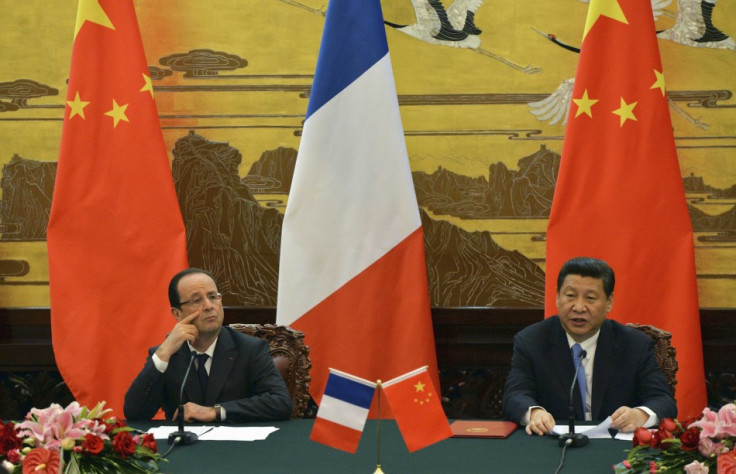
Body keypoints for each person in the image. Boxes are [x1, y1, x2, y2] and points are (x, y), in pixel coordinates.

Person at [502, 256, 676, 436]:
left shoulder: (634, 345)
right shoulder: (532, 341)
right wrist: (535, 413)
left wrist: (639, 415)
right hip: (553, 446)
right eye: (570, 296)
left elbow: (663, 400)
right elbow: (515, 395)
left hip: (614, 449)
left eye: (590, 298)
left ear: (609, 302)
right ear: (557, 297)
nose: (578, 307)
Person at [124, 268, 292, 422]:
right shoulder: (168, 355)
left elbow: (280, 402)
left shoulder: (249, 349)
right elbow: (135, 413)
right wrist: (163, 352)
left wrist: (215, 412)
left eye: (213, 297)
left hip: (237, 448)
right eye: (196, 300)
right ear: (177, 313)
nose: (209, 306)